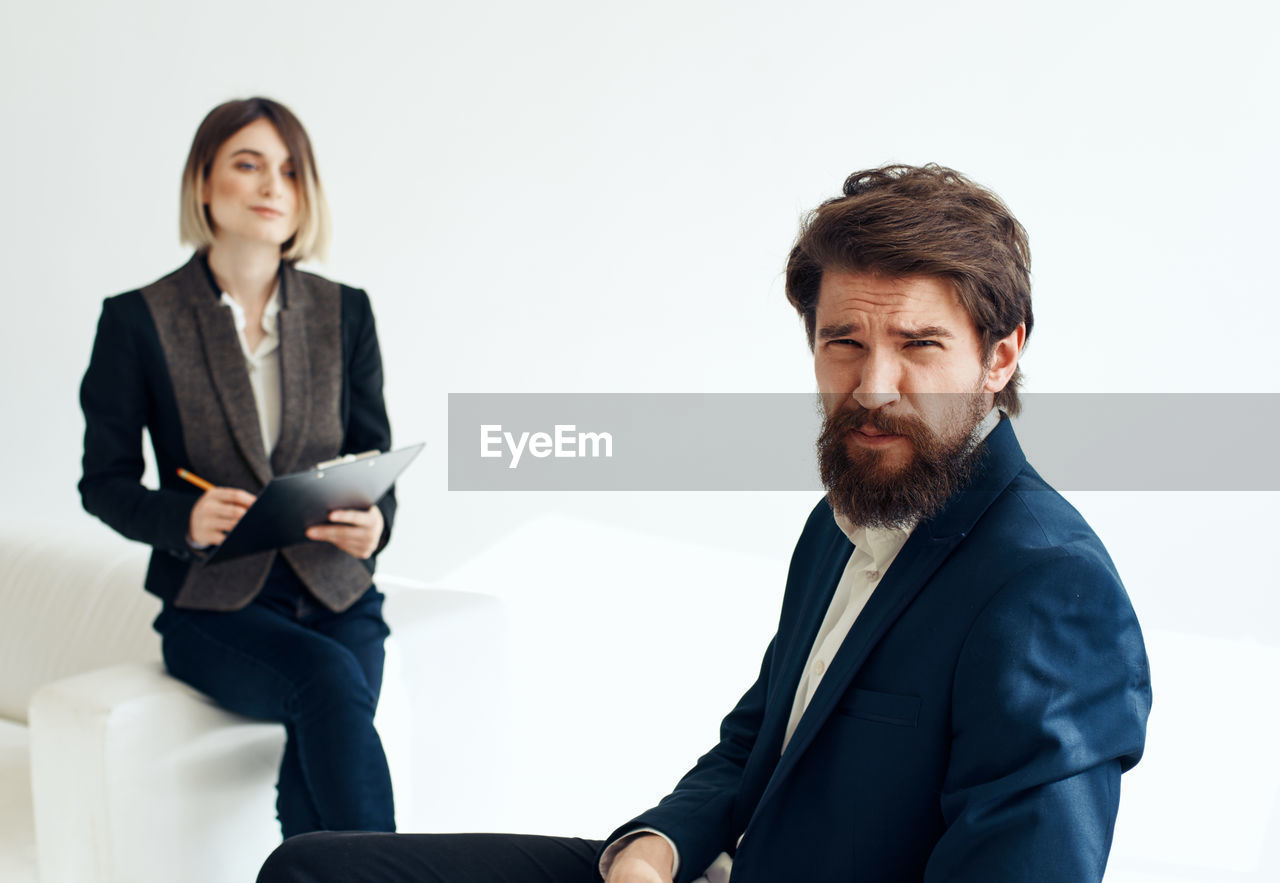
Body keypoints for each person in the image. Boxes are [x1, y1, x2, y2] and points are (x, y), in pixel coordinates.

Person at [258, 164, 1151, 881]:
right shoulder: (847, 517)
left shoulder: (1047, 585)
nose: (874, 385)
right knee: (310, 869)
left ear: (1000, 356)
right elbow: (759, 742)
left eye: (919, 346)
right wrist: (658, 846)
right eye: (845, 342)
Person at [79, 97, 398, 837]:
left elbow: (373, 457)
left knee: (321, 760)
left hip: (338, 592)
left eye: (290, 170)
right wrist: (181, 519)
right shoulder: (137, 319)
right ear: (203, 184)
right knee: (327, 682)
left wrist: (374, 526)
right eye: (247, 164)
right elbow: (104, 480)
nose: (271, 186)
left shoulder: (345, 311)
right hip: (218, 608)